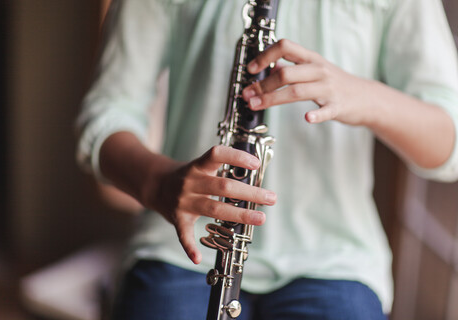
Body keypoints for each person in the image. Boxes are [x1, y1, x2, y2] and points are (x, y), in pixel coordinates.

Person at [76, 0, 458, 319]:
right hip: (182, 247)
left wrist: (361, 95)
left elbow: (448, 145)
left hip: (334, 260)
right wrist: (160, 183)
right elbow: (105, 117)